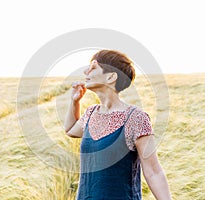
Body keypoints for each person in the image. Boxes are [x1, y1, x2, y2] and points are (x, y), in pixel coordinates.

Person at [64, 49, 171, 200]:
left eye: (93, 67)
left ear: (111, 77)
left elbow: (153, 172)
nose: (85, 71)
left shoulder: (136, 118)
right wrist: (74, 101)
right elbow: (70, 130)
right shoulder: (91, 113)